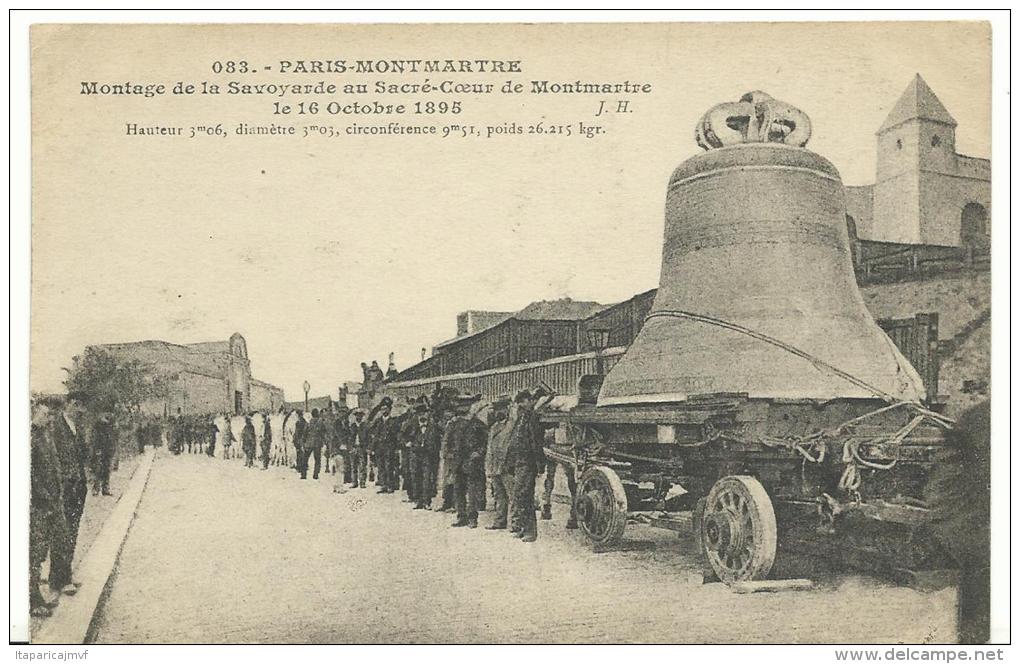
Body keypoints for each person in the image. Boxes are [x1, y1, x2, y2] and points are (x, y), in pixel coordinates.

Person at [29, 400, 67, 617]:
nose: (49, 418)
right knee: (34, 553)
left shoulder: (46, 435)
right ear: (35, 413)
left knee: (45, 549)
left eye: (51, 415)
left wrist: (57, 494)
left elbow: (54, 468)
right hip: (38, 505)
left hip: (52, 501)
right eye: (45, 414)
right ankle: (33, 600)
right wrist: (44, 496)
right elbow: (30, 474)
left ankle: (38, 596)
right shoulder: (30, 437)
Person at [48, 393, 88, 595]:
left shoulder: (77, 426)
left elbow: (82, 454)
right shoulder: (56, 426)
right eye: (79, 407)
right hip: (65, 487)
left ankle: (65, 575)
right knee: (62, 533)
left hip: (78, 486)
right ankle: (59, 580)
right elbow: (54, 458)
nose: (82, 412)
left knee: (72, 531)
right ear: (72, 404)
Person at [507, 390, 546, 542]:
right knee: (519, 496)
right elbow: (514, 440)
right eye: (520, 404)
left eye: (523, 402)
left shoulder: (533, 417)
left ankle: (530, 532)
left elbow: (536, 442)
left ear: (530, 401)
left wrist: (539, 464)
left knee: (525, 496)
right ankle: (523, 528)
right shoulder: (522, 417)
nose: (521, 406)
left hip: (528, 462)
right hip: (519, 461)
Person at [450, 401, 489, 528]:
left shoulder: (478, 424)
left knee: (472, 491)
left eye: (464, 406)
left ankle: (472, 518)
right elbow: (449, 440)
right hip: (458, 462)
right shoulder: (455, 424)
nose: (461, 409)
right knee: (458, 490)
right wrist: (451, 454)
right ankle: (461, 516)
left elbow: (486, 442)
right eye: (460, 406)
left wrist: (478, 452)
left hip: (472, 462)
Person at [484, 399, 514, 530]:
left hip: (507, 466)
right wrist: (488, 468)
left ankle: (515, 523)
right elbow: (489, 449)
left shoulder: (512, 425)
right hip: (495, 466)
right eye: (496, 410)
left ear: (507, 409)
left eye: (501, 409)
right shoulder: (493, 427)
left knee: (512, 495)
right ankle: (500, 521)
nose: (498, 413)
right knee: (498, 495)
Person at [410, 405, 441, 509]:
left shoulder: (434, 426)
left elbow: (442, 437)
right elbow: (400, 435)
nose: (422, 415)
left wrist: (435, 448)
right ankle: (418, 501)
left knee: (427, 479)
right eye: (419, 413)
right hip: (416, 455)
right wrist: (407, 443)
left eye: (424, 413)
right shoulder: (412, 425)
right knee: (416, 478)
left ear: (428, 414)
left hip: (428, 456)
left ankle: (426, 501)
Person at [369, 398, 398, 493]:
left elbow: (396, 436)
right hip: (379, 448)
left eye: (386, 409)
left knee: (389, 466)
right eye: (382, 409)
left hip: (389, 447)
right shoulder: (378, 421)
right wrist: (373, 448)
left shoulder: (393, 421)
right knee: (381, 467)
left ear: (389, 410)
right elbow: (373, 433)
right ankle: (383, 485)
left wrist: (396, 447)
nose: (384, 411)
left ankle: (390, 485)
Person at [90, 411, 116, 496]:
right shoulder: (98, 424)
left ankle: (105, 488)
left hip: (107, 449)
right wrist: (96, 448)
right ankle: (96, 488)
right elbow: (94, 437)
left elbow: (112, 436)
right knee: (98, 469)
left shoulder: (111, 423)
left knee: (107, 469)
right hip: (100, 449)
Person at [299, 409, 325, 480]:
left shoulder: (308, 422)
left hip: (309, 443)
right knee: (317, 460)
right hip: (317, 443)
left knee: (305, 459)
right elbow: (323, 433)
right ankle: (315, 475)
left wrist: (303, 442)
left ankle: (303, 475)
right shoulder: (321, 422)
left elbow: (304, 433)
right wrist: (324, 441)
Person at [350, 410, 369, 488]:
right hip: (354, 447)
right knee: (353, 466)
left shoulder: (365, 426)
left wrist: (367, 447)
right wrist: (350, 447)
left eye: (360, 416)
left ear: (362, 417)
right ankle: (354, 482)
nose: (358, 417)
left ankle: (362, 482)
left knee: (362, 465)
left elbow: (368, 437)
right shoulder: (352, 426)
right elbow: (349, 437)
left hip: (362, 447)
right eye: (357, 416)